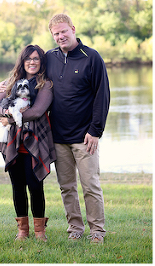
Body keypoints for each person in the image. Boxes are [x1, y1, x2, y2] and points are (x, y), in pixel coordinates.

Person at [45, 13, 110, 244]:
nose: (60, 36)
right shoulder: (49, 58)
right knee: (66, 187)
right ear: (52, 36)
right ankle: (75, 227)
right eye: (56, 33)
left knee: (90, 185)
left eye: (64, 31)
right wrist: (4, 91)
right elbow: (30, 78)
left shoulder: (91, 57)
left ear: (73, 29)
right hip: (58, 136)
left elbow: (102, 96)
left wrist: (95, 131)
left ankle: (97, 232)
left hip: (85, 136)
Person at [0, 45, 56, 241]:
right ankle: (22, 230)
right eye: (28, 58)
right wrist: (5, 113)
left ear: (41, 62)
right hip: (13, 142)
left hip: (35, 140)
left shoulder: (46, 85)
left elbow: (36, 112)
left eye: (36, 58)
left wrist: (10, 119)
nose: (32, 62)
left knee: (35, 186)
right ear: (23, 61)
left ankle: (40, 232)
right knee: (17, 186)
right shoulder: (11, 82)